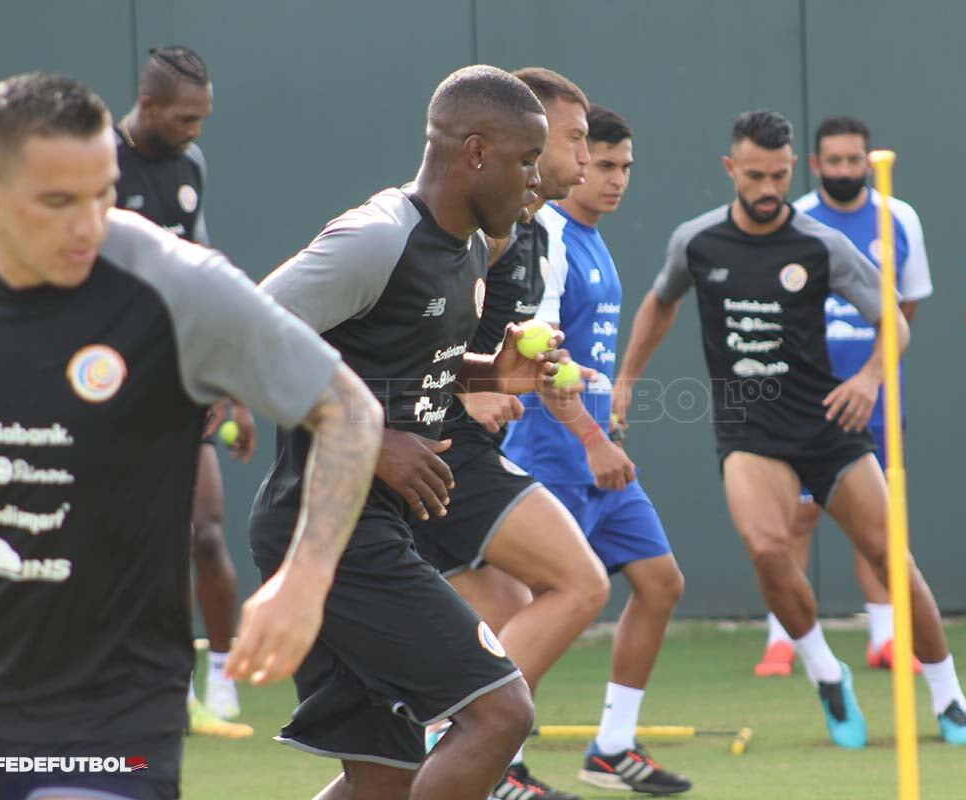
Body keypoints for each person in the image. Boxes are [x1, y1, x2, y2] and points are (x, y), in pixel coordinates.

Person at [0, 71, 382, 800]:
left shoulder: (176, 285)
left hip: (105, 710)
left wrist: (305, 579)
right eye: (58, 202)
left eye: (102, 193)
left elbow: (351, 411)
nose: (89, 225)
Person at [614, 109, 966, 749]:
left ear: (792, 171)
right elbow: (660, 301)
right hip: (748, 430)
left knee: (891, 560)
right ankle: (825, 672)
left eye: (778, 176)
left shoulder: (821, 244)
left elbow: (893, 322)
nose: (767, 189)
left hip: (828, 427)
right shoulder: (696, 242)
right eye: (754, 175)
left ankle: (948, 696)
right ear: (731, 169)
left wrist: (868, 379)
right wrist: (626, 380)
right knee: (766, 547)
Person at [251, 65, 571, 800]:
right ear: (478, 153)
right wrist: (370, 438)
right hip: (327, 529)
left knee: (382, 780)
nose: (537, 181)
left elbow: (410, 364)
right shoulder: (378, 237)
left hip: (372, 527)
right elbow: (249, 336)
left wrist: (493, 373)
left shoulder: (468, 250)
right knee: (499, 713)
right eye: (528, 161)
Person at [409, 67, 609, 800]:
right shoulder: (476, 232)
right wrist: (475, 385)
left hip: (453, 451)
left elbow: (477, 354)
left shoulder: (536, 237)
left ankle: (460, 759)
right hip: (433, 451)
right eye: (577, 141)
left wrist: (510, 371)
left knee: (515, 618)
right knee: (582, 583)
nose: (585, 159)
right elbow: (412, 343)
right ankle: (449, 743)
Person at [504, 103, 693, 794]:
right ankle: (498, 762)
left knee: (660, 582)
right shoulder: (547, 235)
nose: (611, 177)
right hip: (553, 457)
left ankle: (611, 749)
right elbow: (539, 359)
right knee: (538, 614)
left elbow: (586, 355)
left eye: (623, 167)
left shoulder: (593, 237)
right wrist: (588, 441)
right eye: (598, 160)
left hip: (598, 452)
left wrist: (609, 414)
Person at [753, 115, 931, 678]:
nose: (847, 171)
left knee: (875, 523)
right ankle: (783, 639)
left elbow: (905, 308)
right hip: (806, 399)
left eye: (856, 160)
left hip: (875, 396)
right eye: (835, 161)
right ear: (815, 164)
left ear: (868, 157)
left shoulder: (899, 217)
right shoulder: (797, 219)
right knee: (796, 518)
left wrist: (874, 372)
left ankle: (884, 638)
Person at [114, 44, 251, 726]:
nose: (197, 130)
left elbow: (204, 273)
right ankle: (153, 684)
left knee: (202, 533)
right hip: (105, 391)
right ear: (148, 108)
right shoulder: (98, 164)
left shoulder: (190, 164)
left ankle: (218, 683)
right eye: (186, 117)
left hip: (180, 382)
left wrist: (230, 386)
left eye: (204, 117)